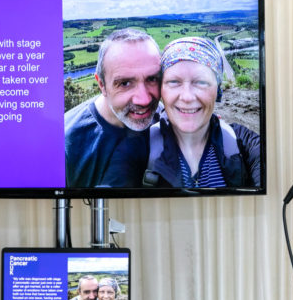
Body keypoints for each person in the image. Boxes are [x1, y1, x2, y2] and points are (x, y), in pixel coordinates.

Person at [104, 36, 261, 188]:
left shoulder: (243, 143)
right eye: (174, 82)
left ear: (217, 89)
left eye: (201, 82)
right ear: (161, 91)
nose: (187, 97)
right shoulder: (139, 145)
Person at [64, 28, 162, 187]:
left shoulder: (170, 123)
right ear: (101, 85)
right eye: (124, 83)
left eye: (152, 79)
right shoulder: (67, 143)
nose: (143, 100)